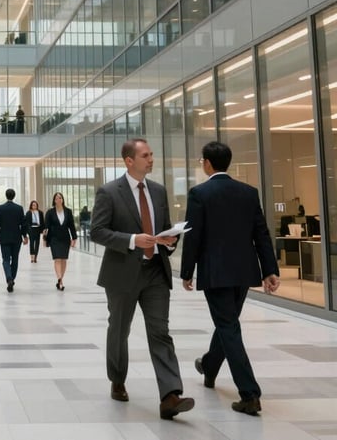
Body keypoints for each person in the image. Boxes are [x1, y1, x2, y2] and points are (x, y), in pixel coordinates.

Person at [90, 138, 194, 420]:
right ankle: (118, 379)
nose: (151, 159)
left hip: (155, 273)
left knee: (160, 332)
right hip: (122, 273)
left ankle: (170, 395)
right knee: (119, 329)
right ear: (129, 161)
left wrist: (169, 241)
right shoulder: (109, 192)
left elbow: (162, 230)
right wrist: (133, 240)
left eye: (151, 154)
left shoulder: (158, 192)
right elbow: (97, 231)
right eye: (145, 155)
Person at [180, 141, 280, 416]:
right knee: (228, 324)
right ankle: (210, 366)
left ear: (208, 164)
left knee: (228, 327)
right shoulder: (249, 192)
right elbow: (261, 233)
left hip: (216, 272)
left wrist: (186, 271)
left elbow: (193, 235)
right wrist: (270, 270)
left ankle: (249, 394)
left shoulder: (200, 193)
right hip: (244, 272)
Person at [0, 188, 28, 292]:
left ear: (6, 195)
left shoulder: (0, 208)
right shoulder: (19, 208)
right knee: (15, 259)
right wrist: (24, 236)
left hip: (4, 238)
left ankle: (9, 278)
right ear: (14, 196)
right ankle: (12, 278)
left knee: (6, 260)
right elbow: (23, 224)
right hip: (16, 238)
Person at [44, 191, 77, 289]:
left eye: (60, 198)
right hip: (54, 238)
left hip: (65, 238)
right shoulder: (50, 212)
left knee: (63, 259)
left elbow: (71, 226)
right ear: (54, 200)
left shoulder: (68, 211)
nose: (59, 199)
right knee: (57, 258)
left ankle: (61, 279)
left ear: (63, 200)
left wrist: (74, 238)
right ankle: (59, 279)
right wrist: (45, 239)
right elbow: (46, 227)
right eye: (57, 198)